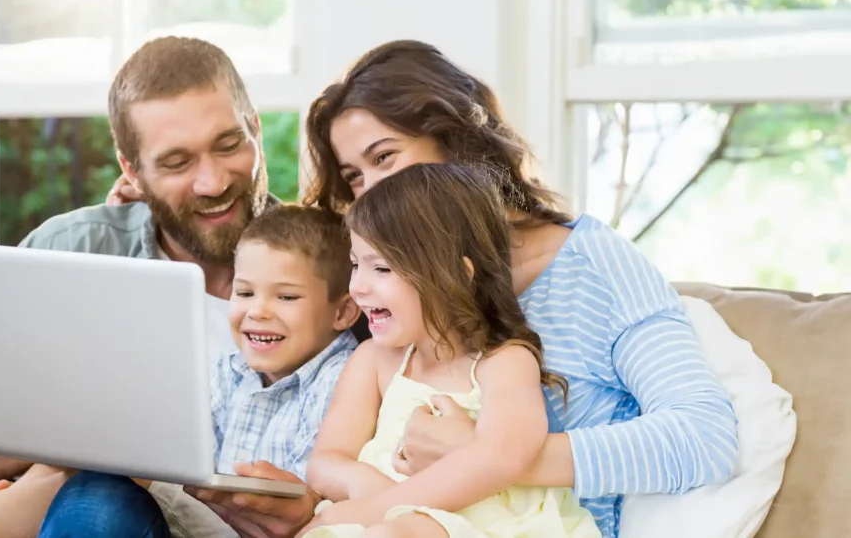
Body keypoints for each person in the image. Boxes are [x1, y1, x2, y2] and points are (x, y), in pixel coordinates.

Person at [135, 39, 739, 538]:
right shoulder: (387, 292)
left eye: (385, 157)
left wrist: (488, 455)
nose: (369, 193)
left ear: (458, 139)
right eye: (354, 177)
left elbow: (703, 438)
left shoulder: (592, 264)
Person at [0, 35, 278, 537]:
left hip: (138, 514)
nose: (213, 182)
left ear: (255, 130)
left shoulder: (328, 266)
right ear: (132, 170)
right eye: (176, 163)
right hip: (12, 502)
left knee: (103, 491)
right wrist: (48, 441)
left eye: (229, 143)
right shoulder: (71, 246)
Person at [0, 204, 363, 538]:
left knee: (106, 476)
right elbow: (185, 452)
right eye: (243, 293)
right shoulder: (229, 370)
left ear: (344, 311)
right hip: (171, 504)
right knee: (99, 458)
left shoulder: (346, 376)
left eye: (285, 297)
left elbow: (321, 493)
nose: (258, 310)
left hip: (210, 522)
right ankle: (4, 509)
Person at [294, 162, 602, 538]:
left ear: (457, 274)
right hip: (379, 515)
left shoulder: (504, 361)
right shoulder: (374, 360)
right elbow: (324, 462)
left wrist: (380, 510)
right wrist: (367, 487)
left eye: (382, 269)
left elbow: (504, 455)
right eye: (357, 265)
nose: (357, 286)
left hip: (480, 523)